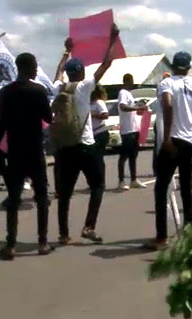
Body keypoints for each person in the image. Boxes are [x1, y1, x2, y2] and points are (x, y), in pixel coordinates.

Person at [52, 23, 120, 245]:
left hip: (65, 147)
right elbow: (107, 64)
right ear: (81, 72)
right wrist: (112, 40)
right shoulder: (84, 87)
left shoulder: (58, 88)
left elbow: (58, 73)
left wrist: (66, 51)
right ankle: (89, 226)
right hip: (86, 145)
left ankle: (63, 234)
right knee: (98, 186)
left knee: (65, 193)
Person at [0, 53, 55, 260]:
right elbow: (48, 117)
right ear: (29, 68)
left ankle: (10, 245)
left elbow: (1, 123)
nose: (37, 70)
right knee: (41, 196)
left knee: (13, 198)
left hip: (15, 151)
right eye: (36, 66)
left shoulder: (5, 92)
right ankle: (43, 242)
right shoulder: (38, 91)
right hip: (35, 150)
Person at [148, 51, 192, 250]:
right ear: (188, 66)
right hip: (190, 140)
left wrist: (168, 136)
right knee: (186, 188)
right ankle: (189, 232)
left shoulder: (167, 83)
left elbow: (168, 104)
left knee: (161, 188)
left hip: (173, 140)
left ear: (173, 66)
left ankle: (161, 236)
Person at [117, 73, 146, 190]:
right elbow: (123, 107)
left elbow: (132, 110)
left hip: (134, 129)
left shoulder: (129, 94)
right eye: (130, 81)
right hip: (127, 130)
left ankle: (134, 179)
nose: (132, 83)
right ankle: (121, 181)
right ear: (126, 82)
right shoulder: (123, 93)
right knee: (124, 156)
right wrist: (137, 108)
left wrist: (139, 109)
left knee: (133, 156)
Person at [90, 85, 110, 155]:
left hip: (100, 132)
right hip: (92, 133)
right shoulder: (89, 103)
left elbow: (106, 115)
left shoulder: (99, 102)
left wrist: (94, 114)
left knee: (98, 156)